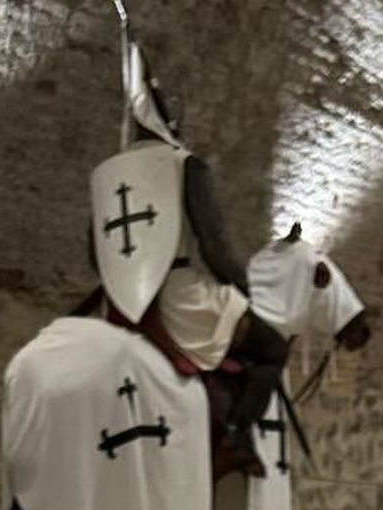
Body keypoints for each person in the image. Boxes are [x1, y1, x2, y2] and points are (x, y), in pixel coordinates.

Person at [90, 51, 287, 477]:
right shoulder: (184, 165)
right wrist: (246, 292)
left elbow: (96, 254)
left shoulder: (113, 175)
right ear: (168, 119)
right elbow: (215, 248)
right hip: (183, 302)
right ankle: (235, 440)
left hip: (126, 307)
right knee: (272, 348)